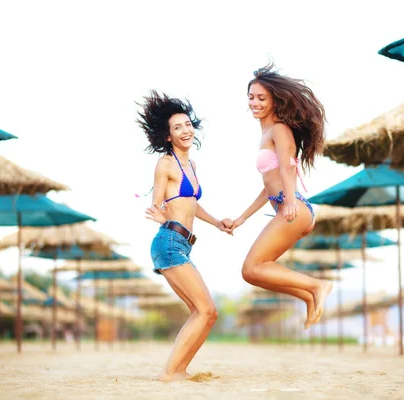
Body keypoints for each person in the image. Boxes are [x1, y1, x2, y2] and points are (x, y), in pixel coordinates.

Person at [229, 64, 333, 329]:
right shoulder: (265, 133)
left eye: (261, 98)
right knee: (255, 273)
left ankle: (317, 285)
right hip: (287, 206)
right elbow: (268, 186)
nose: (254, 102)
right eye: (251, 97)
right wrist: (242, 218)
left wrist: (288, 201)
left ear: (275, 100)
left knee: (251, 268)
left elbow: (288, 167)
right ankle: (309, 296)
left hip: (294, 207)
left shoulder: (279, 129)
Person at [138, 91, 232, 382]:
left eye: (188, 124)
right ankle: (170, 372)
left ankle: (178, 369)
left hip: (182, 244)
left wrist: (217, 222)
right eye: (177, 127)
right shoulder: (166, 164)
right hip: (168, 243)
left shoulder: (192, 165)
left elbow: (190, 203)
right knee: (207, 310)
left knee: (201, 311)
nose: (185, 130)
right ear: (168, 136)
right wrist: (161, 214)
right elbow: (158, 204)